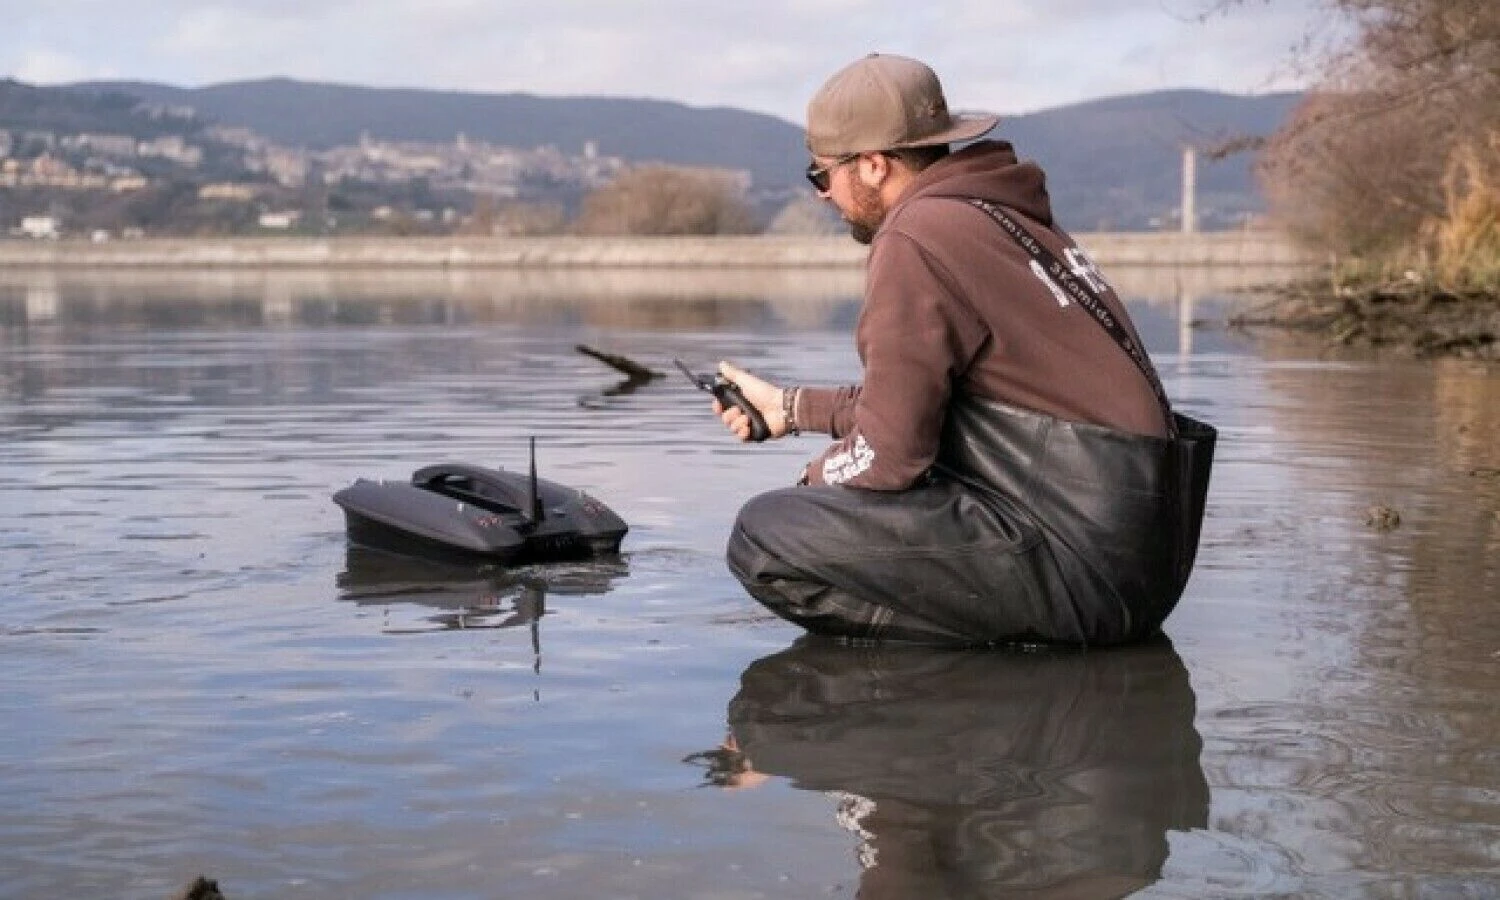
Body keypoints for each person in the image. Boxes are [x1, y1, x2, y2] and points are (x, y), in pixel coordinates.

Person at [710, 53, 1216, 647]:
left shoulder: (914, 236)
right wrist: (790, 409)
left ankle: (959, 692)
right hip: (1139, 562)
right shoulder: (998, 217)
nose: (822, 195)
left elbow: (891, 455)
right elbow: (933, 407)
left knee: (765, 535)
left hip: (1080, 571)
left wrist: (814, 481)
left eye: (821, 175)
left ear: (873, 165)